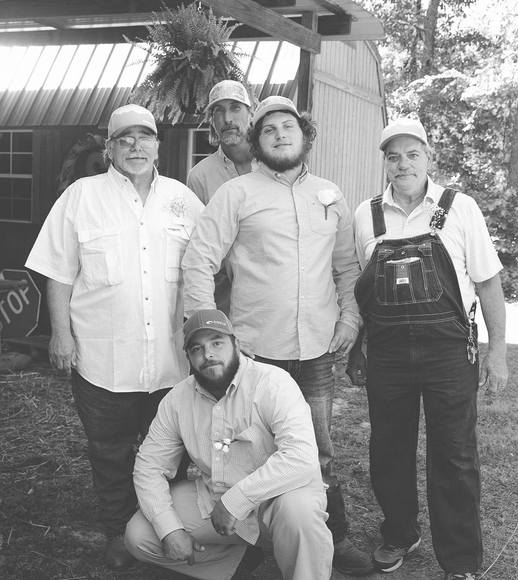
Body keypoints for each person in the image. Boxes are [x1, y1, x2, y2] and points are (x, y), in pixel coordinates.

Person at [181, 96, 373, 576]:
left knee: (317, 448)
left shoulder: (329, 194)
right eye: (269, 130)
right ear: (257, 142)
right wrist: (208, 333)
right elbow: (199, 260)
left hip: (316, 351)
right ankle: (248, 542)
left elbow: (346, 267)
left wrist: (350, 320)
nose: (280, 134)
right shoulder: (236, 194)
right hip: (255, 353)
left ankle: (332, 537)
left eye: (289, 126)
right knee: (244, 448)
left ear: (305, 136)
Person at [25, 104, 204, 570]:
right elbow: (58, 273)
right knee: (109, 453)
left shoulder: (184, 201)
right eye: (125, 138)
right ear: (109, 148)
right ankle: (118, 532)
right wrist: (60, 334)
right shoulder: (81, 196)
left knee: (170, 454)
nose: (135, 146)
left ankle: (163, 527)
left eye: (145, 137)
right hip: (103, 360)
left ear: (158, 146)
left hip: (171, 362)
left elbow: (209, 266)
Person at [349, 117, 508, 580]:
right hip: (387, 352)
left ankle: (460, 560)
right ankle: (400, 533)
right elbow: (363, 289)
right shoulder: (366, 215)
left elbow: (488, 282)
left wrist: (497, 351)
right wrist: (358, 347)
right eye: (393, 156)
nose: (403, 164)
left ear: (428, 157)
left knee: (454, 454)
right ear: (385, 163)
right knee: (388, 449)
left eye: (412, 154)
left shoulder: (460, 208)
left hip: (448, 351)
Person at [124, 309, 333, 580]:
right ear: (188, 357)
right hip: (216, 500)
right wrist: (171, 531)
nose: (208, 354)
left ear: (236, 344)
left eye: (217, 342)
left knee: (299, 514)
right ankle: (237, 566)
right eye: (197, 349)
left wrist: (236, 500)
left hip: (277, 500)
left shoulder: (272, 383)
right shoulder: (177, 399)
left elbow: (301, 457)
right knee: (140, 535)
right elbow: (149, 466)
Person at [186, 79, 255, 315]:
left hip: (271, 297)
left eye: (235, 108)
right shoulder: (200, 176)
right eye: (218, 111)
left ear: (251, 114)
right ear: (211, 120)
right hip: (223, 301)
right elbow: (197, 247)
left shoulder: (272, 166)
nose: (227, 119)